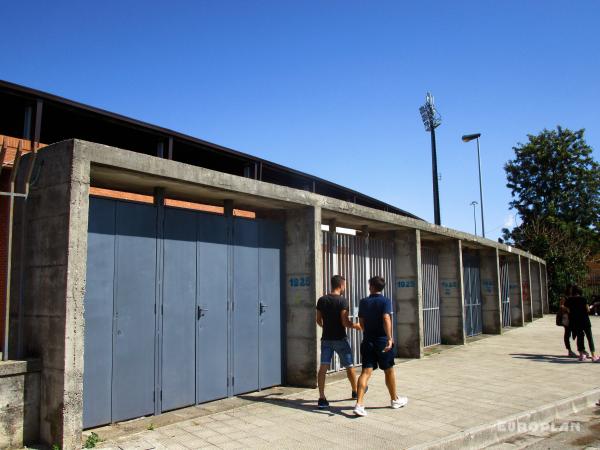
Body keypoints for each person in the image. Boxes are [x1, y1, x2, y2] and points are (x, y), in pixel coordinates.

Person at [353, 276, 408, 417]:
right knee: (389, 370)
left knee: (365, 372)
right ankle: (394, 399)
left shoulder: (363, 302)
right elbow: (386, 318)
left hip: (368, 341)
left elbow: (361, 321)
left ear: (371, 286)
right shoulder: (385, 301)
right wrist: (390, 338)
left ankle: (359, 404)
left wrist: (367, 332)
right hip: (382, 341)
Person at [316, 275, 362, 409]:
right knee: (349, 365)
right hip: (340, 339)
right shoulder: (343, 301)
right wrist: (356, 326)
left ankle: (322, 398)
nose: (345, 287)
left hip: (326, 339)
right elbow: (344, 321)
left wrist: (326, 327)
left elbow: (318, 320)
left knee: (323, 368)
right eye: (345, 285)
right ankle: (354, 391)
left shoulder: (322, 300)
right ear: (341, 285)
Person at [565, 285, 599, 362]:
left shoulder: (569, 300)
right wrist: (591, 307)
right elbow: (587, 310)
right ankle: (593, 356)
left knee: (580, 337)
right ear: (580, 291)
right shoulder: (583, 299)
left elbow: (568, 310)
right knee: (589, 337)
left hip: (576, 321)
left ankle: (581, 355)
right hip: (585, 320)